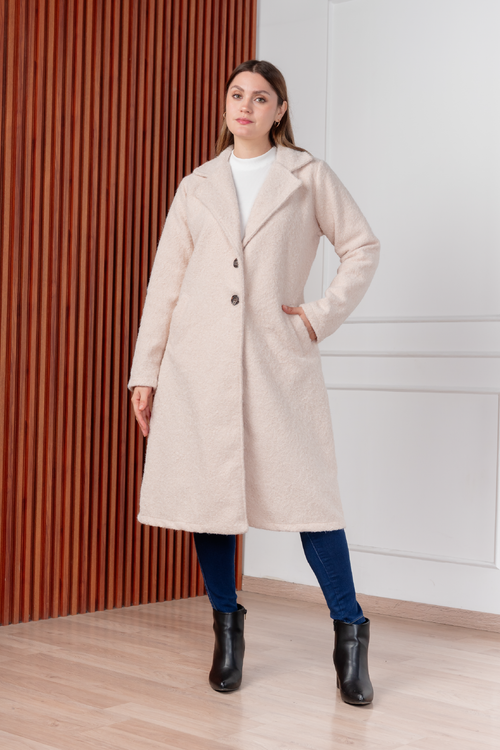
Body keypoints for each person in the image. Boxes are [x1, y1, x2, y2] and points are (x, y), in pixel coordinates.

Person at [128, 60, 380, 706]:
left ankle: (350, 635)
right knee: (210, 502)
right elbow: (166, 283)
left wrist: (317, 317)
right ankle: (226, 631)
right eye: (237, 94)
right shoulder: (196, 187)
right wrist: (145, 372)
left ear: (280, 109)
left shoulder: (307, 175)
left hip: (276, 363)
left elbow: (362, 247)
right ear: (226, 106)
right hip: (198, 366)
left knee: (312, 501)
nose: (245, 105)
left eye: (260, 97)